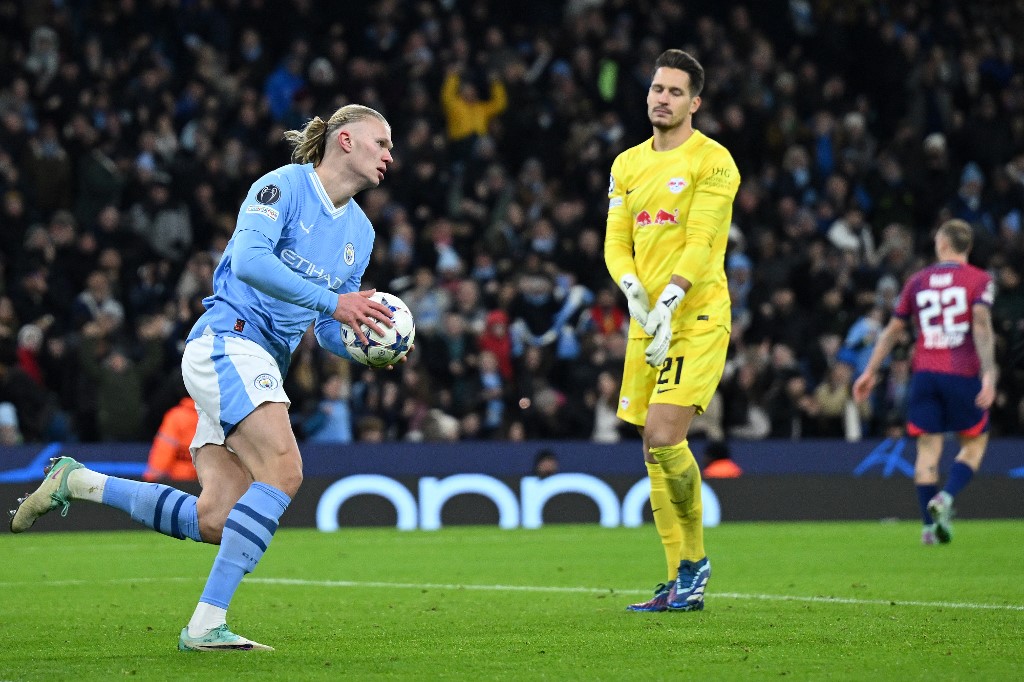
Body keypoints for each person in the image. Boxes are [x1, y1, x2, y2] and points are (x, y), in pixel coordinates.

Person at [9, 104, 402, 651]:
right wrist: (336, 303)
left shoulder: (361, 232)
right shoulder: (281, 188)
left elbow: (327, 324)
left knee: (217, 517)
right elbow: (248, 262)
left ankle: (77, 482)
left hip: (264, 362)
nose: (389, 154)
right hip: (229, 341)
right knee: (285, 470)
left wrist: (366, 345)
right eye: (381, 142)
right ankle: (204, 625)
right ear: (345, 141)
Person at [604, 50, 740, 613]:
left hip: (696, 316)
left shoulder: (714, 161)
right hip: (646, 322)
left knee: (665, 435)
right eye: (657, 88)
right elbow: (616, 241)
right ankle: (677, 579)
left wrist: (671, 296)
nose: (662, 98)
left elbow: (703, 240)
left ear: (695, 102)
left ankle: (697, 563)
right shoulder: (627, 164)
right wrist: (635, 293)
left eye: (675, 91)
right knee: (650, 446)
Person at [853, 219, 996, 546]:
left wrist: (870, 371)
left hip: (924, 375)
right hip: (962, 374)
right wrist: (989, 374)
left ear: (943, 244)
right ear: (967, 247)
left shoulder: (918, 281)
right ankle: (945, 498)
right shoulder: (980, 280)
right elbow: (982, 326)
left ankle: (928, 529)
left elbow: (892, 330)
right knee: (974, 444)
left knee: (928, 451)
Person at [143, 394, 200, 482]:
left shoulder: (176, 417)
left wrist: (151, 480)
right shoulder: (217, 418)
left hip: (180, 482)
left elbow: (164, 450)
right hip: (210, 483)